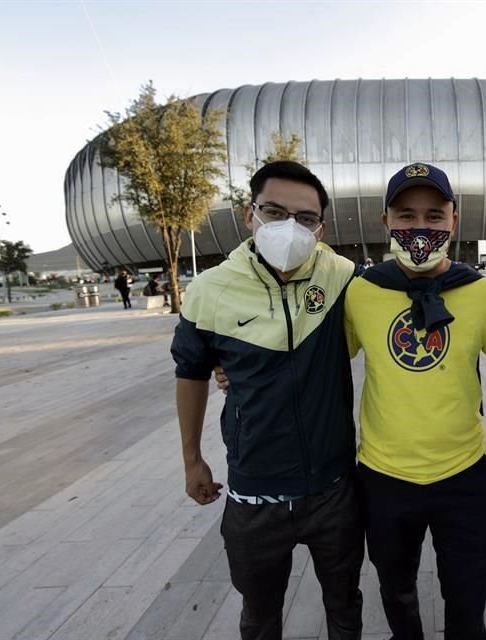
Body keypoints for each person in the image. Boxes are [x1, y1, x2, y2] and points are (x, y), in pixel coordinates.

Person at [171, 161, 364, 640]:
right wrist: (192, 460)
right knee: (259, 618)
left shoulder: (344, 278)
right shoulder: (210, 290)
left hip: (333, 487)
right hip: (254, 493)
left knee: (344, 607)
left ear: (322, 227)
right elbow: (191, 372)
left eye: (304, 218)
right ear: (248, 213)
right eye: (274, 212)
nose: (289, 228)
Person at [347, 163, 486, 639]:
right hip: (384, 478)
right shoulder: (361, 292)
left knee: (467, 604)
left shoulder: (480, 292)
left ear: (453, 220)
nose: (419, 228)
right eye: (405, 216)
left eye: (434, 215)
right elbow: (320, 363)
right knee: (397, 596)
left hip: (463, 477)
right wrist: (235, 369)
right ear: (385, 222)